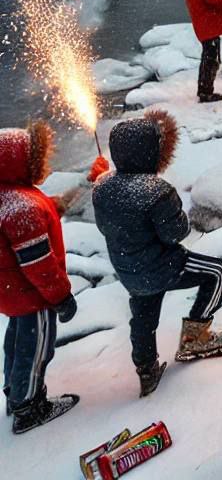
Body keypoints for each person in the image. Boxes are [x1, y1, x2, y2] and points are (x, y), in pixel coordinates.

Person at [92, 110, 222, 399]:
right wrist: (172, 206)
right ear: (149, 153)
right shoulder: (157, 190)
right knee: (218, 273)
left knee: (143, 317)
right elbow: (176, 233)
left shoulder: (102, 189)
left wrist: (102, 178)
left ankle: (146, 370)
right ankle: (195, 337)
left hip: (130, 271)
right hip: (165, 266)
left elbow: (105, 224)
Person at [1, 122, 80, 434]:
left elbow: (41, 211)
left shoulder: (10, 197)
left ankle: (14, 392)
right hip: (33, 295)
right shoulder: (22, 209)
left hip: (11, 295)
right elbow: (40, 265)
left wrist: (78, 189)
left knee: (16, 343)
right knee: (37, 350)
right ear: (20, 161)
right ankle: (29, 407)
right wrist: (60, 297)